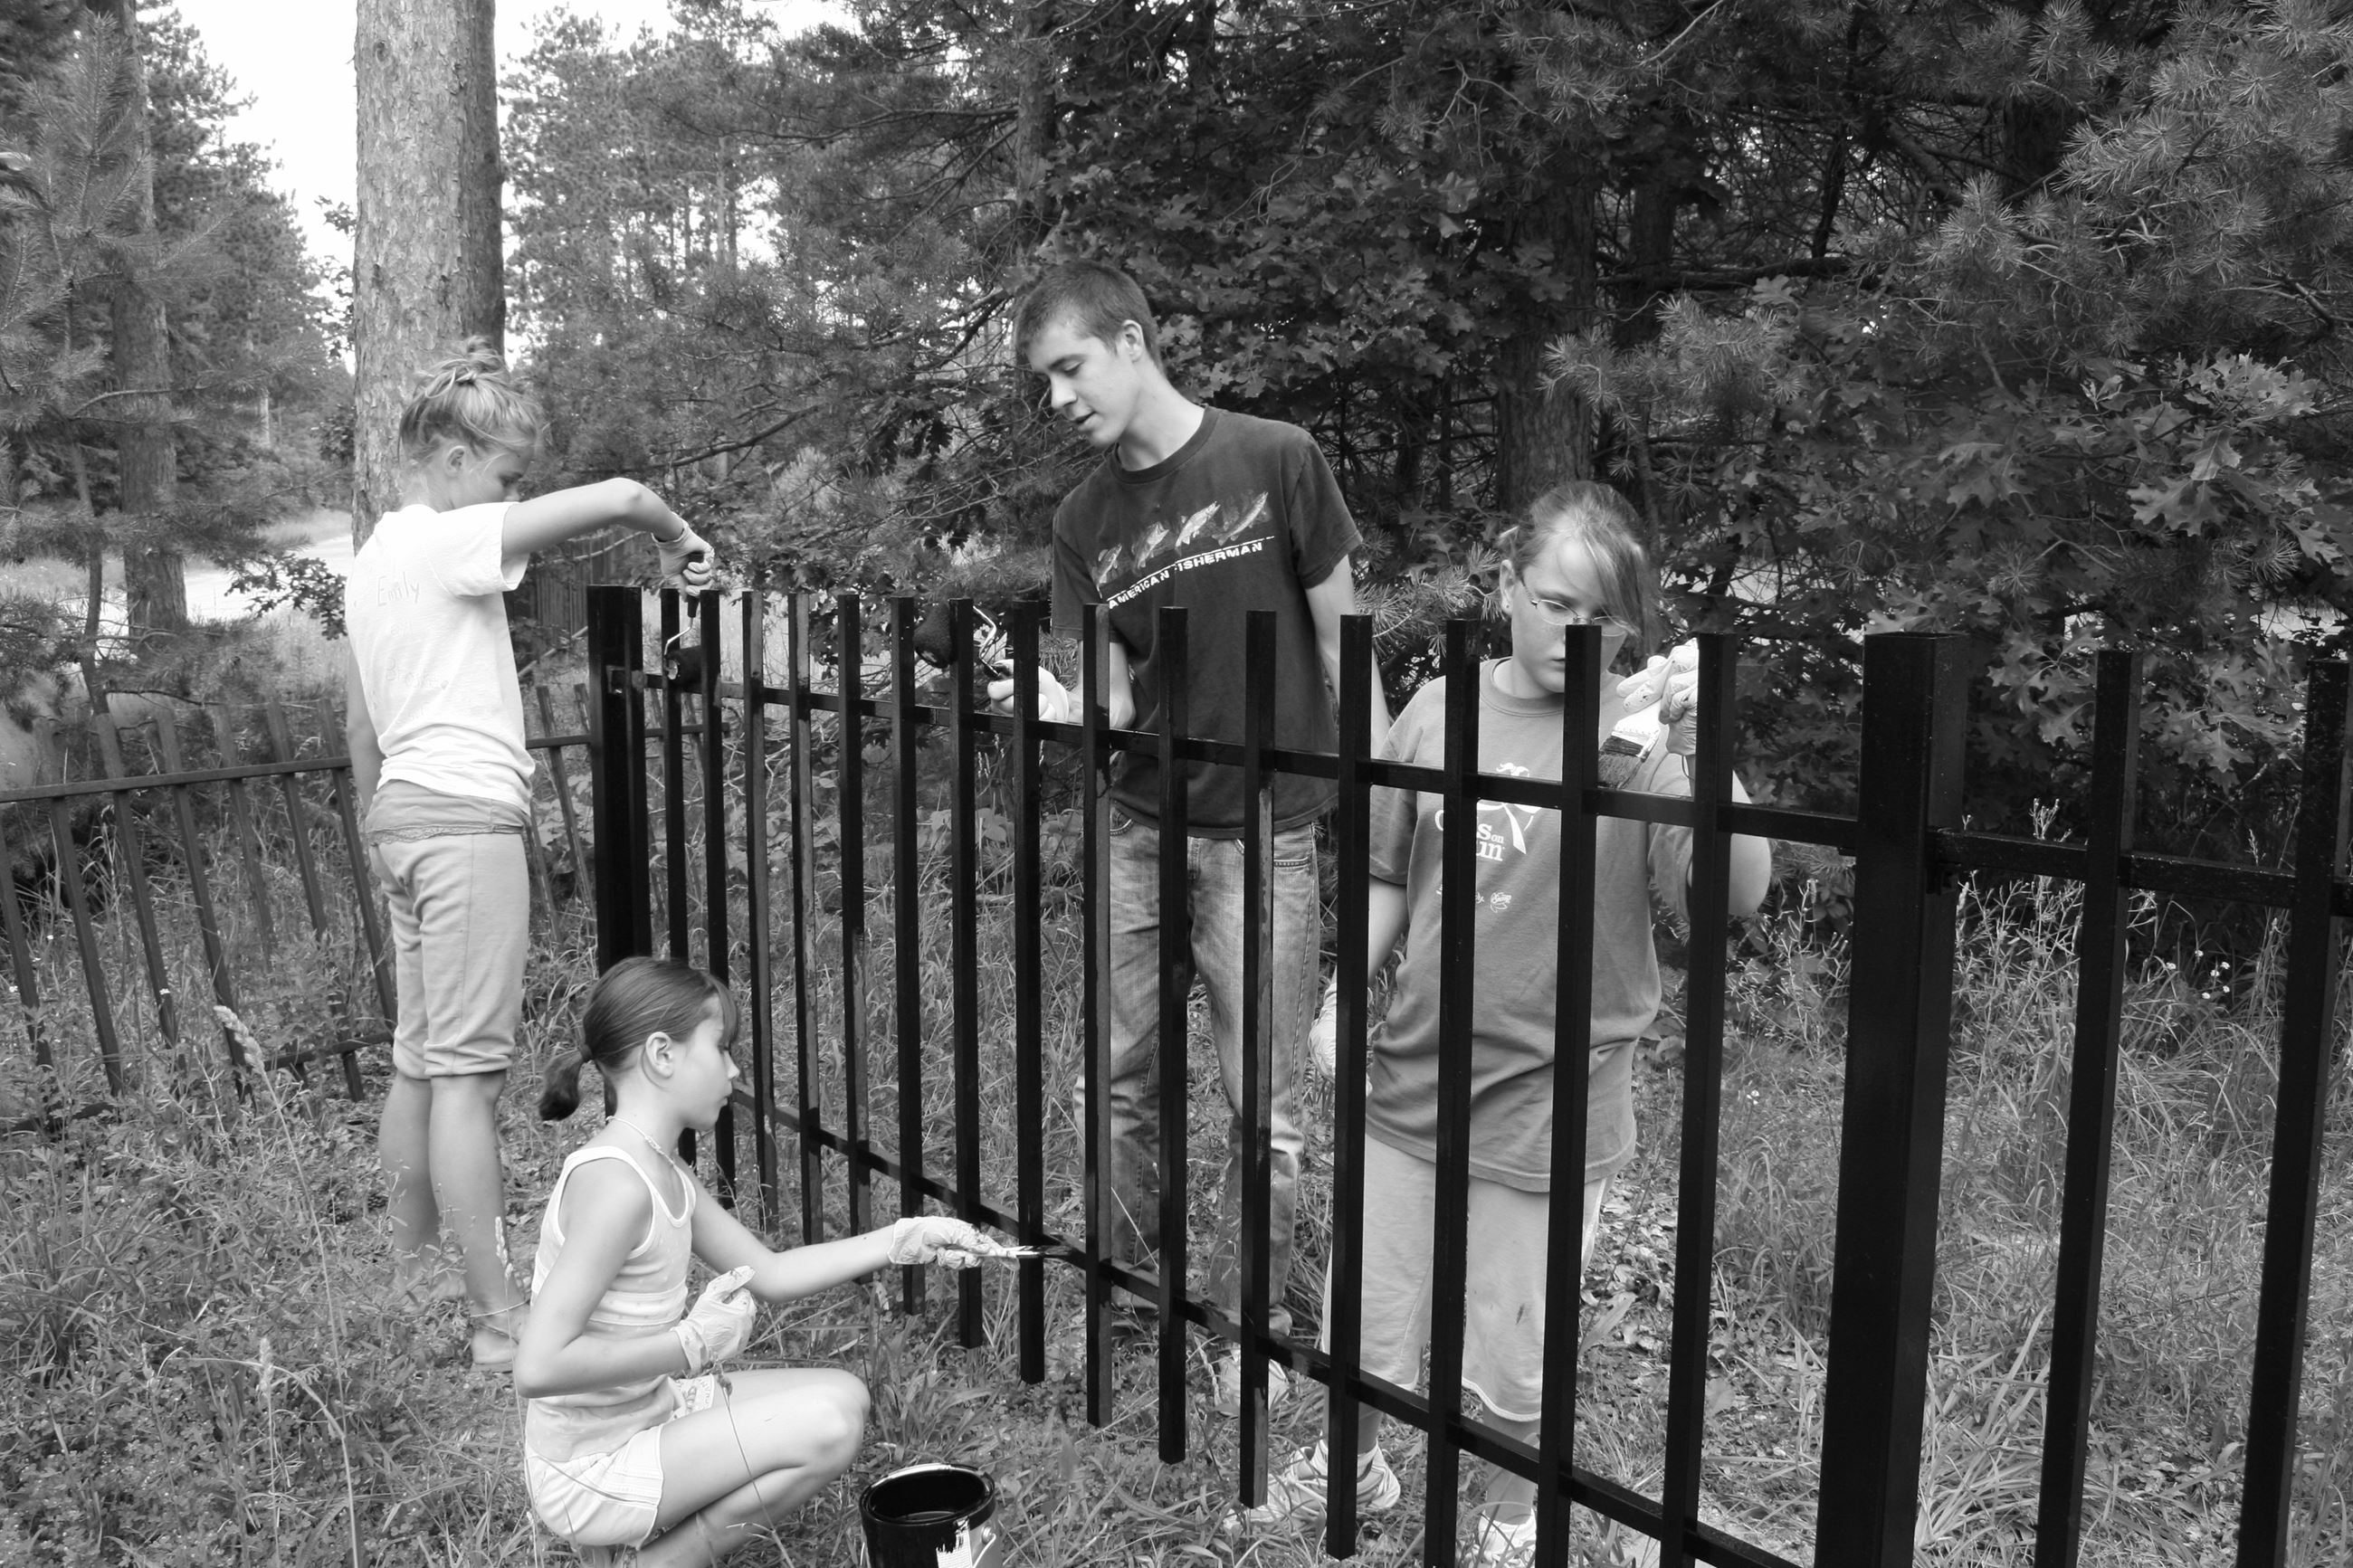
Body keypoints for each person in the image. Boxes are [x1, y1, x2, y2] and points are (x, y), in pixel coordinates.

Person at [1227, 481, 1773, 1563]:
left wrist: (1703, 750)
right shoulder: (1439, 709)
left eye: (1599, 616)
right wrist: (1345, 995)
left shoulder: (1636, 744)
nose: (1573, 632)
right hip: (1416, 1067)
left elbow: (1736, 894)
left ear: (1627, 626)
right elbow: (1390, 868)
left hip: (1552, 1095)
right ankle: (1357, 1463)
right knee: (1366, 1306)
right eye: (1553, 601)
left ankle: (1509, 1513)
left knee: (1513, 1335)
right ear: (1506, 587)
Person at [990, 260, 1391, 1414]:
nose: (1059, 398)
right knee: (1120, 1078)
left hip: (1265, 832)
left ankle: (1246, 1320)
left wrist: (1377, 798)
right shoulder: (1081, 521)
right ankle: (1121, 1303)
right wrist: (1057, 708)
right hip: (1138, 829)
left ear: (1129, 340)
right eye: (1043, 382)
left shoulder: (1273, 459)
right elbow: (1106, 692)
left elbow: (1342, 636)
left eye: (1069, 368)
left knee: (1260, 1097)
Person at [345, 338, 719, 1369]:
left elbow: (362, 725)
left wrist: (380, 825)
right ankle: (492, 1315)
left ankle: (412, 1272)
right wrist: (672, 533)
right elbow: (625, 493)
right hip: (464, 822)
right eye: (506, 477)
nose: (511, 498)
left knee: (421, 1060)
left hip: (405, 820)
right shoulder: (443, 539)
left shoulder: (373, 563)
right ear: (453, 456)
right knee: (468, 1077)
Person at [517, 957, 1000, 1567]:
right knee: (828, 1424)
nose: (733, 1068)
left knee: (844, 1395)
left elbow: (767, 1273)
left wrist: (903, 1239)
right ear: (662, 1055)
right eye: (719, 1048)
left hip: (643, 1412)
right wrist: (690, 1343)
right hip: (589, 1464)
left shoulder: (661, 1168)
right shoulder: (617, 1183)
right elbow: (537, 1366)